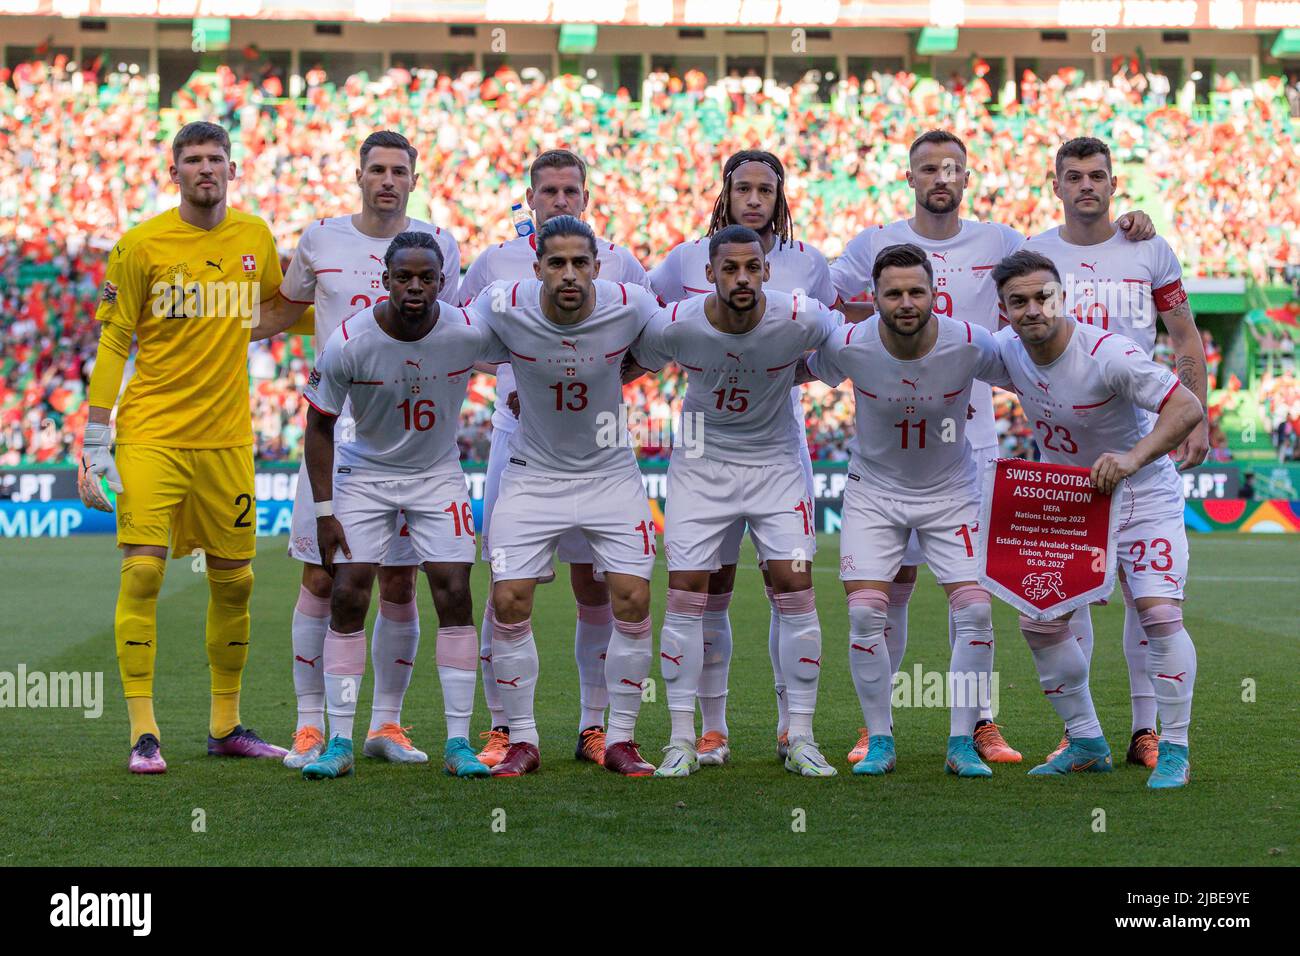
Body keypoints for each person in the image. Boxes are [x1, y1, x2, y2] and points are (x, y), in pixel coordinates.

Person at [829, 129, 1156, 767]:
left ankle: (977, 724)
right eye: (928, 169)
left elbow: (1065, 258)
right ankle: (877, 728)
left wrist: (1125, 227)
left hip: (971, 448)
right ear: (910, 176)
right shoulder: (873, 246)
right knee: (885, 593)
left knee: (974, 602)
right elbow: (820, 297)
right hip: (889, 458)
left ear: (968, 176)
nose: (940, 179)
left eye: (951, 168)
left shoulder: (1003, 241)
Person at [79, 121, 288, 772]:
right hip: (151, 434)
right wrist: (94, 440)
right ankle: (145, 733)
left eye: (215, 159)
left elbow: (279, 307)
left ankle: (225, 726)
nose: (205, 168)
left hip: (227, 438)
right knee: (144, 570)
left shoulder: (255, 237)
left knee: (236, 585)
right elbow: (115, 341)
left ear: (233, 170)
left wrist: (344, 304)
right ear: (173, 173)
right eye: (192, 160)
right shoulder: (139, 246)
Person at [261, 130, 463, 769]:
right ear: (359, 175)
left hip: (404, 436)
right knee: (323, 576)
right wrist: (211, 326)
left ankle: (388, 725)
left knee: (400, 581)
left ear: (413, 179)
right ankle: (310, 725)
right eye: (375, 169)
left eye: (397, 171)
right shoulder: (320, 237)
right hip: (337, 434)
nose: (386, 180)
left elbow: (449, 334)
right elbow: (282, 310)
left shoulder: (439, 244)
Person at [458, 149, 654, 770]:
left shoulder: (622, 269)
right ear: (531, 196)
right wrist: (516, 370)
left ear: (587, 198)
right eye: (549, 191)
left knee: (599, 587)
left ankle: (600, 729)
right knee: (505, 592)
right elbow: (462, 334)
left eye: (572, 191)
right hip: (520, 442)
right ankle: (506, 729)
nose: (561, 200)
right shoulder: (497, 266)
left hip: (600, 454)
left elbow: (653, 338)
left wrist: (611, 372)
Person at [1025, 136, 1207, 768]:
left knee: (1146, 599)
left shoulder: (1148, 247)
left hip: (1142, 446)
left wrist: (1196, 417)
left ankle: (1146, 729)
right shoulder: (1036, 255)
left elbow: (1183, 335)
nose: (1086, 187)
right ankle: (1082, 735)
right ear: (1056, 185)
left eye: (1097, 176)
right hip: (1068, 465)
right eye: (1073, 177)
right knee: (1063, 602)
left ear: (1112, 182)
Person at [649, 150, 836, 765]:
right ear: (709, 271)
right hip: (702, 461)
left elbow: (845, 346)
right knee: (691, 594)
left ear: (767, 269)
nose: (742, 278)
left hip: (778, 455)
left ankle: (800, 735)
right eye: (728, 269)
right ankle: (688, 736)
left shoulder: (803, 298)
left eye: (752, 268)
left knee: (794, 585)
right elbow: (625, 349)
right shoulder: (675, 316)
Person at [992, 250, 1202, 788]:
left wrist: (1133, 458)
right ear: (1004, 309)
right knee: (1039, 620)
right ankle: (1085, 739)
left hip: (1143, 498)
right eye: (1019, 302)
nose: (1033, 309)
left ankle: (1174, 747)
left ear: (1062, 297)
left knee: (1158, 615)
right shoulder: (1007, 353)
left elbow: (1186, 409)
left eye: (1044, 297)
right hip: (1071, 506)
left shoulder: (1110, 354)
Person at [803, 242, 1006, 777]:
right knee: (868, 613)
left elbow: (1029, 371)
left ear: (936, 294)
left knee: (977, 612)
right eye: (893, 293)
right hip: (875, 492)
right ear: (873, 298)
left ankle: (962, 741)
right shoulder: (849, 343)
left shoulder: (969, 342)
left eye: (917, 290)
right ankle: (880, 738)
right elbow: (792, 369)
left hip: (951, 491)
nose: (906, 302)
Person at [298, 232, 490, 779]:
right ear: (383, 280)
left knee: (454, 592)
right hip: (366, 476)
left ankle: (458, 742)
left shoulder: (467, 331)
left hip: (437, 476)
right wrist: (325, 510)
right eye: (403, 276)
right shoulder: (349, 341)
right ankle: (339, 740)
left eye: (425, 277)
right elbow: (318, 425)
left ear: (441, 282)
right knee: (349, 593)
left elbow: (527, 350)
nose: (414, 286)